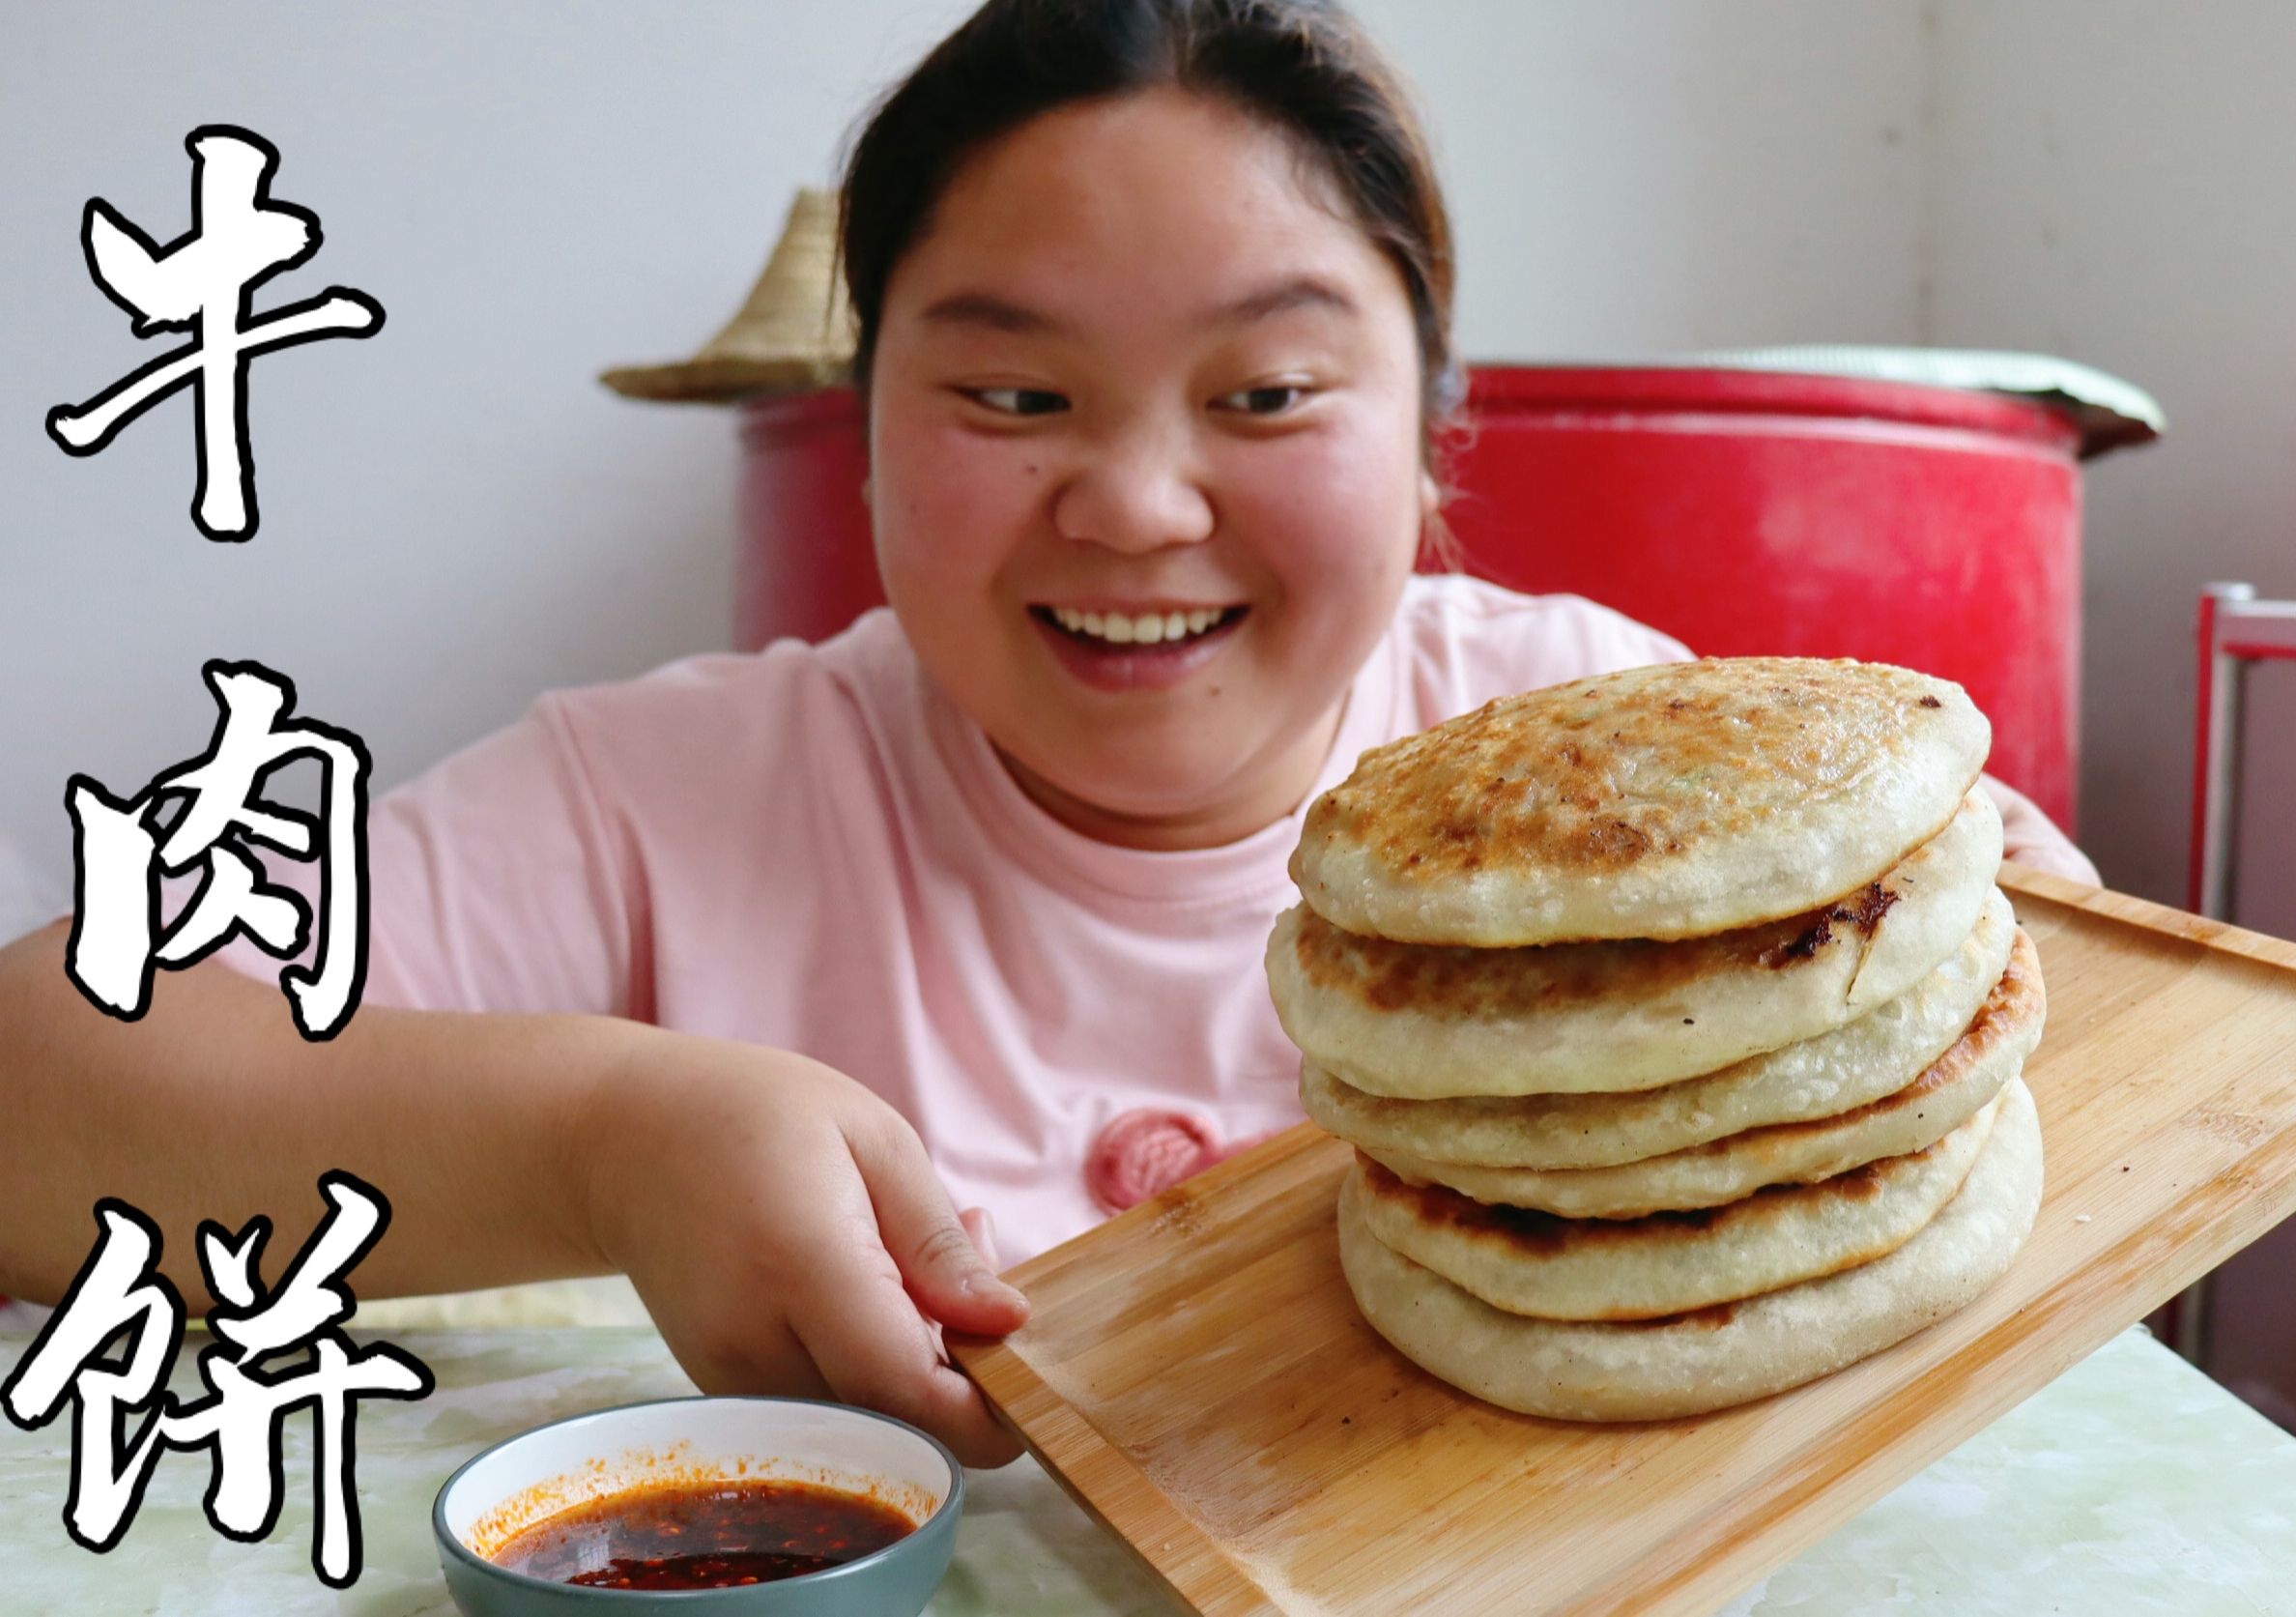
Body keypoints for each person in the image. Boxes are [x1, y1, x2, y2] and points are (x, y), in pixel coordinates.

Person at [0, 0, 2097, 1470]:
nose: (1137, 504)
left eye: (1268, 396)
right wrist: (600, 1135)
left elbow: (2035, 1001)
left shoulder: (1624, 755)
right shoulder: (670, 798)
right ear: (865, 429)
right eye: (1012, 398)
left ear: (1432, 423)